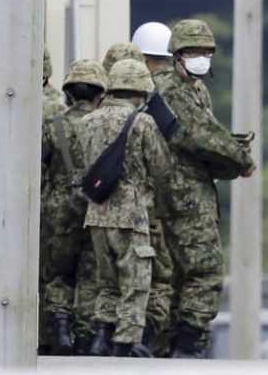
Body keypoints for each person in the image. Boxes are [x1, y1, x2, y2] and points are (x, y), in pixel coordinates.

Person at [153, 19, 256, 358]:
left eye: (206, 52)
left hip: (192, 190)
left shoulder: (196, 89)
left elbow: (208, 135)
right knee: (204, 270)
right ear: (176, 55)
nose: (201, 58)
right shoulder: (168, 88)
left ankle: (173, 345)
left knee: (180, 274)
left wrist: (230, 151)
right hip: (180, 195)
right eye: (194, 52)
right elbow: (200, 136)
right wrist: (240, 157)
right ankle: (188, 342)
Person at [81, 59, 173, 358]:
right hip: (131, 216)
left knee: (106, 283)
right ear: (140, 90)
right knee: (135, 282)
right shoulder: (142, 122)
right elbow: (161, 168)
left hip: (96, 214)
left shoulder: (88, 121)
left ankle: (100, 337)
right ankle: (126, 343)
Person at [41, 59, 108, 355]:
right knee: (90, 273)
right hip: (96, 207)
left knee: (58, 273)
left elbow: (38, 165)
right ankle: (85, 336)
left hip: (58, 209)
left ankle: (60, 329)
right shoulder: (104, 125)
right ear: (99, 95)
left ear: (68, 94)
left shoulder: (54, 126)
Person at [130, 22, 178, 355]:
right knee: (156, 277)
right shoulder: (155, 108)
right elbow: (164, 165)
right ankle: (142, 340)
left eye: (163, 63)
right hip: (148, 207)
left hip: (104, 208)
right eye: (154, 62)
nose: (158, 70)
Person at [38, 48, 68, 355]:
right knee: (51, 272)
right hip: (54, 200)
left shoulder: (4, 101)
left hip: (26, 200)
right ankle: (49, 337)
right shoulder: (60, 106)